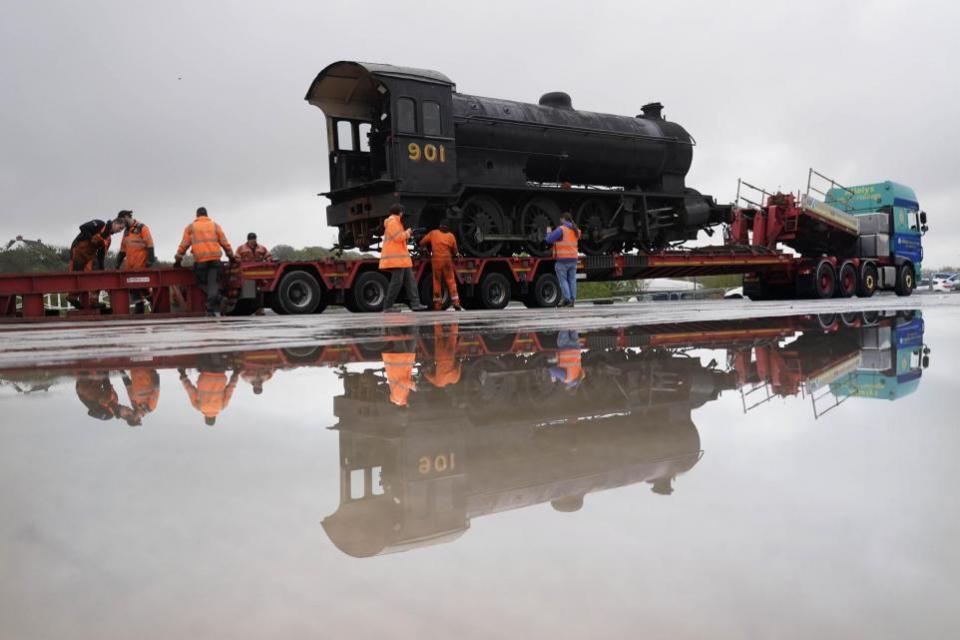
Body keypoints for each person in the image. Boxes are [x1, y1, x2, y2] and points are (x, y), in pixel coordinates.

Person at [174, 207, 236, 316]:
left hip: (201, 261)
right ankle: (214, 304)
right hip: (215, 260)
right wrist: (231, 257)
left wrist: (178, 260)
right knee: (213, 284)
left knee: (200, 283)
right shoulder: (215, 226)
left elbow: (184, 245)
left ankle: (215, 303)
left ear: (197, 215)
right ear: (207, 215)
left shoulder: (191, 227)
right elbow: (225, 243)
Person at [67, 217, 124, 309]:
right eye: (120, 227)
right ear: (114, 223)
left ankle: (94, 301)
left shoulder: (108, 240)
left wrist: (102, 268)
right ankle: (72, 297)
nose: (120, 231)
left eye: (122, 229)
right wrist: (91, 239)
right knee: (78, 275)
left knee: (97, 274)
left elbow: (101, 255)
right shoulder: (100, 224)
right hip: (78, 250)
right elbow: (83, 227)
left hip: (90, 255)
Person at [379, 204, 427, 312]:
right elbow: (398, 237)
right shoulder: (392, 222)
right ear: (400, 212)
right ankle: (387, 306)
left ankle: (415, 304)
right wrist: (408, 232)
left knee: (411, 282)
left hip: (402, 259)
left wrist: (408, 234)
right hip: (396, 259)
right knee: (396, 282)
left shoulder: (396, 222)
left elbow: (400, 239)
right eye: (402, 212)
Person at [115, 210, 156, 314]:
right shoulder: (126, 232)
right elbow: (123, 250)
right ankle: (139, 313)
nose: (122, 224)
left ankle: (156, 305)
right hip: (130, 269)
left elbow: (150, 244)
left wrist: (150, 260)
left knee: (144, 289)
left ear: (126, 217)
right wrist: (117, 265)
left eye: (122, 221)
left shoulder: (142, 228)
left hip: (141, 266)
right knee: (134, 291)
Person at [419, 221, 462, 311]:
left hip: (436, 260)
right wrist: (457, 254)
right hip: (447, 260)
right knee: (451, 281)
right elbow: (455, 250)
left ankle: (438, 305)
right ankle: (456, 302)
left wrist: (424, 249)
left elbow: (422, 242)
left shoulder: (433, 233)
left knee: (437, 281)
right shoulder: (451, 236)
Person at [544, 213, 581, 307]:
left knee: (563, 281)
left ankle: (567, 300)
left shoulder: (562, 229)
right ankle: (572, 300)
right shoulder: (576, 230)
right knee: (572, 280)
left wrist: (548, 230)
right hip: (573, 259)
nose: (560, 221)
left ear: (563, 219)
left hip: (562, 260)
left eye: (561, 219)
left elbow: (549, 239)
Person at [425, 323, 461, 388]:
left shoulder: (455, 379)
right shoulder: (439, 383)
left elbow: (458, 364)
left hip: (450, 356)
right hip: (440, 356)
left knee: (453, 337)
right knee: (439, 336)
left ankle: (454, 320)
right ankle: (437, 317)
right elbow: (427, 375)